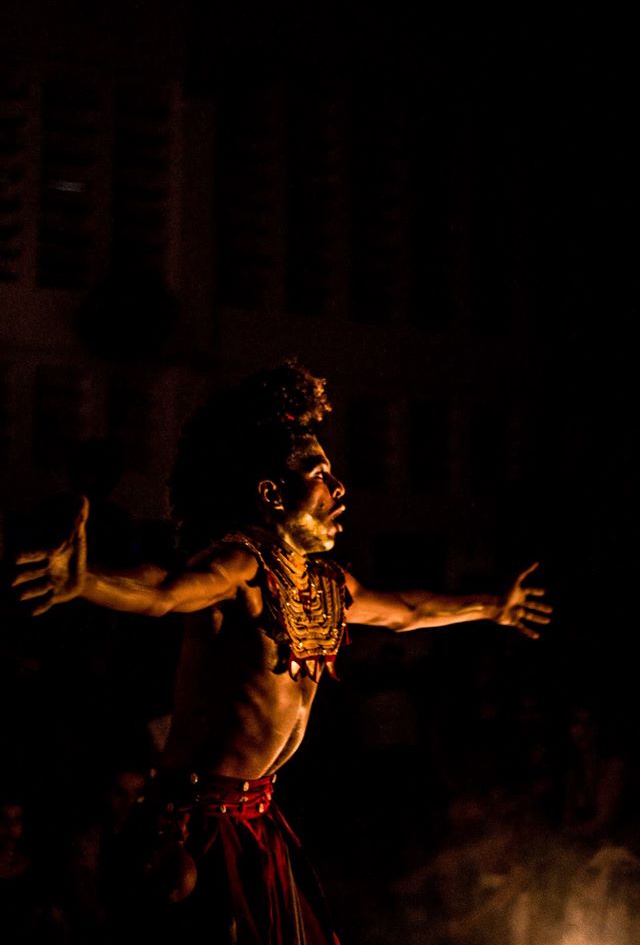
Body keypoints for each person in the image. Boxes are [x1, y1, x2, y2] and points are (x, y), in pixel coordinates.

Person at [12, 361, 552, 945]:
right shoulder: (242, 562)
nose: (338, 487)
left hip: (257, 817)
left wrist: (493, 606)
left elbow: (408, 610)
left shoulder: (327, 584)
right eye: (319, 474)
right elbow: (166, 590)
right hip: (194, 822)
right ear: (271, 493)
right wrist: (87, 582)